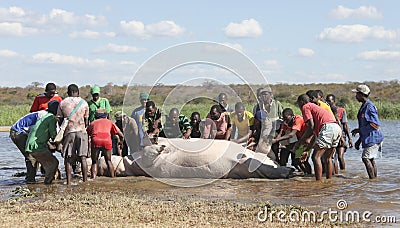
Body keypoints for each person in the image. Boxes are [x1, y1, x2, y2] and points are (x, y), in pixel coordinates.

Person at [294, 94, 342, 181]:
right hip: (336, 128)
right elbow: (315, 137)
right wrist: (306, 150)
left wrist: (300, 141)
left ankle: (318, 182)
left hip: (328, 128)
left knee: (316, 157)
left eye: (298, 104)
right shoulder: (315, 109)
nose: (299, 107)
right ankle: (329, 181)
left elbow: (311, 126)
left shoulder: (306, 106)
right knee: (328, 158)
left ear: (301, 102)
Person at [57, 84, 89, 185]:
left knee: (68, 158)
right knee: (83, 158)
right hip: (82, 132)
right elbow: (86, 119)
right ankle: (85, 181)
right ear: (77, 92)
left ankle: (68, 182)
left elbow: (59, 119)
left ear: (68, 92)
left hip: (69, 132)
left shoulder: (63, 103)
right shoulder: (84, 103)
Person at [351, 85, 384, 179]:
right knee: (371, 159)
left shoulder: (369, 107)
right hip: (368, 138)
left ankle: (372, 180)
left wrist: (359, 130)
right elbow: (365, 125)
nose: (355, 96)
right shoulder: (364, 106)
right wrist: (359, 140)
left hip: (373, 137)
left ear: (362, 95)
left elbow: (375, 125)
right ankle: (374, 180)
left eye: (357, 94)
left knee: (365, 158)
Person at [10, 109, 50, 183]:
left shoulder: (48, 117)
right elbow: (38, 134)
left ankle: (36, 176)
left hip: (25, 133)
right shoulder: (43, 116)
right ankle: (30, 180)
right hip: (18, 132)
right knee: (31, 156)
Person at [25, 100, 60, 184]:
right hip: (37, 146)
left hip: (31, 145)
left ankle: (47, 182)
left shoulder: (45, 117)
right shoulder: (51, 118)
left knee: (48, 163)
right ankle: (47, 183)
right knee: (54, 162)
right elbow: (53, 135)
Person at [272, 108, 311, 174]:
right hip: (299, 140)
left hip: (307, 140)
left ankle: (309, 175)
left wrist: (276, 140)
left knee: (302, 160)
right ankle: (301, 173)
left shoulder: (298, 119)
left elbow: (291, 134)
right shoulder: (285, 121)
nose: (285, 120)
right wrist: (276, 142)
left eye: (286, 118)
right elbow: (281, 133)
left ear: (292, 116)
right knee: (292, 160)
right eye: (283, 118)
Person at [87, 109, 124, 179]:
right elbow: (121, 135)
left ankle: (93, 179)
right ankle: (112, 178)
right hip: (107, 141)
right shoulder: (109, 122)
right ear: (106, 116)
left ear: (96, 116)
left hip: (96, 140)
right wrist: (121, 143)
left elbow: (87, 133)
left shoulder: (93, 123)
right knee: (108, 161)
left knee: (94, 162)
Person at [253, 87, 283, 162]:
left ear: (270, 95)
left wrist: (279, 134)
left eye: (266, 94)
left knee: (275, 151)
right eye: (262, 95)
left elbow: (282, 120)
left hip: (275, 133)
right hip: (262, 133)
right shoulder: (257, 106)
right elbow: (255, 121)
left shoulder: (277, 104)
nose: (264, 96)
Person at [326, 94, 353, 171]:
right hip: (331, 137)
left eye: (329, 101)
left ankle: (343, 172)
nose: (328, 102)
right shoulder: (326, 111)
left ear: (334, 101)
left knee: (340, 157)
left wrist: (349, 139)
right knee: (333, 157)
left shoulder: (341, 110)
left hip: (342, 136)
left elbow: (345, 125)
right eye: (327, 101)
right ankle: (336, 174)